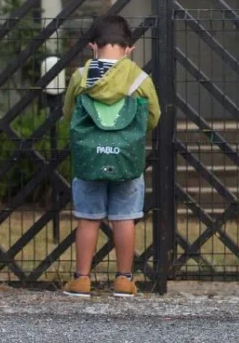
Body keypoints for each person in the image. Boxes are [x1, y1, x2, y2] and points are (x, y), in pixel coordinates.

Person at [61, 15, 160, 298]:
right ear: (130, 48)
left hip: (89, 159)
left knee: (88, 218)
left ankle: (81, 280)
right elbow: (153, 116)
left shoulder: (81, 77)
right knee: (125, 218)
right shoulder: (140, 79)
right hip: (127, 158)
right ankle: (124, 280)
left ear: (93, 46)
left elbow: (69, 114)